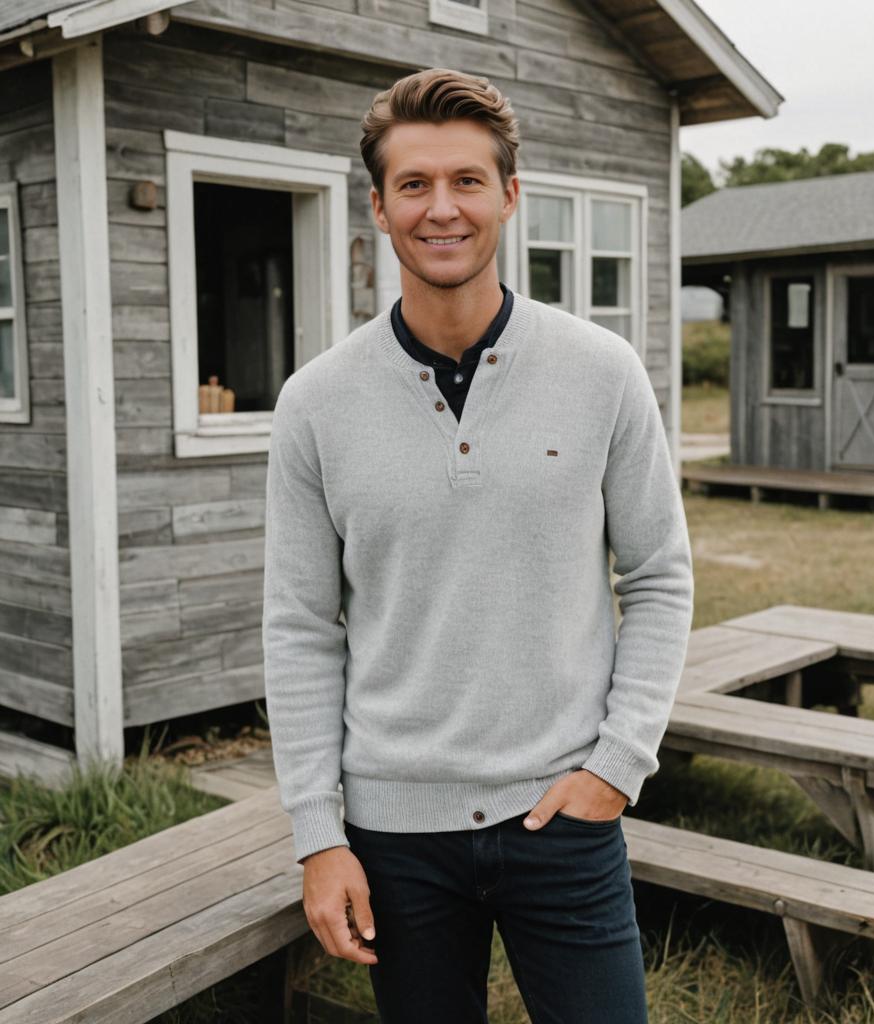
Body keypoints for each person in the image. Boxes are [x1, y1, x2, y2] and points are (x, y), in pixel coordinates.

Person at [261, 66, 695, 1024]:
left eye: (466, 180)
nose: (440, 208)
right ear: (377, 205)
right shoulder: (316, 404)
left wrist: (619, 764)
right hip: (392, 837)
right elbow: (298, 627)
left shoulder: (602, 373)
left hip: (566, 820)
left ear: (509, 194)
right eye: (414, 184)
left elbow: (660, 577)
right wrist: (317, 834)